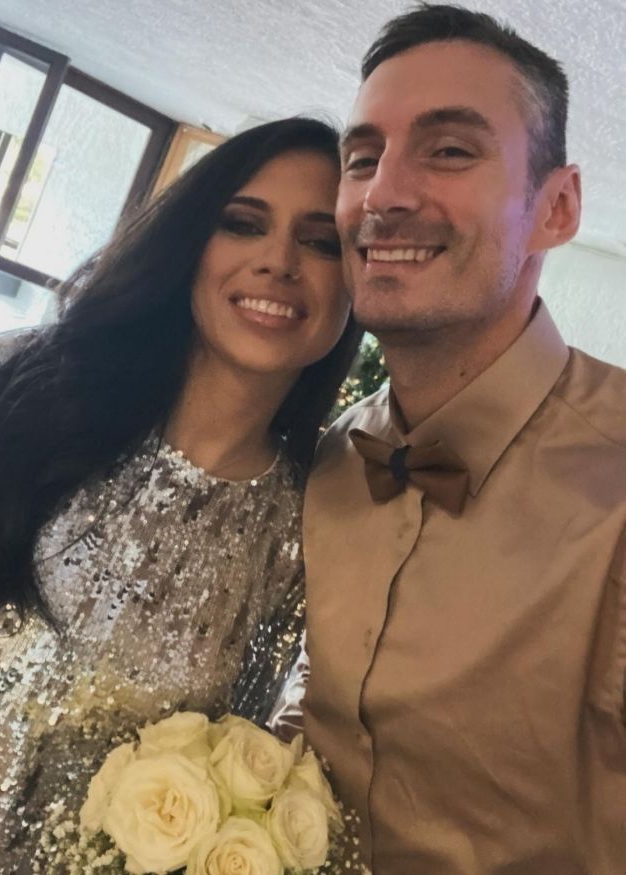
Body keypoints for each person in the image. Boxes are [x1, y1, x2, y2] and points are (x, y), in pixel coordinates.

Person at [0, 117, 360, 872]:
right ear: (192, 244)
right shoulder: (17, 383)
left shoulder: (302, 542)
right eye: (243, 224)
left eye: (321, 241)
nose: (278, 261)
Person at [300, 6, 626, 874]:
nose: (383, 195)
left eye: (448, 150)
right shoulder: (327, 464)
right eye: (362, 158)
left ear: (557, 206)